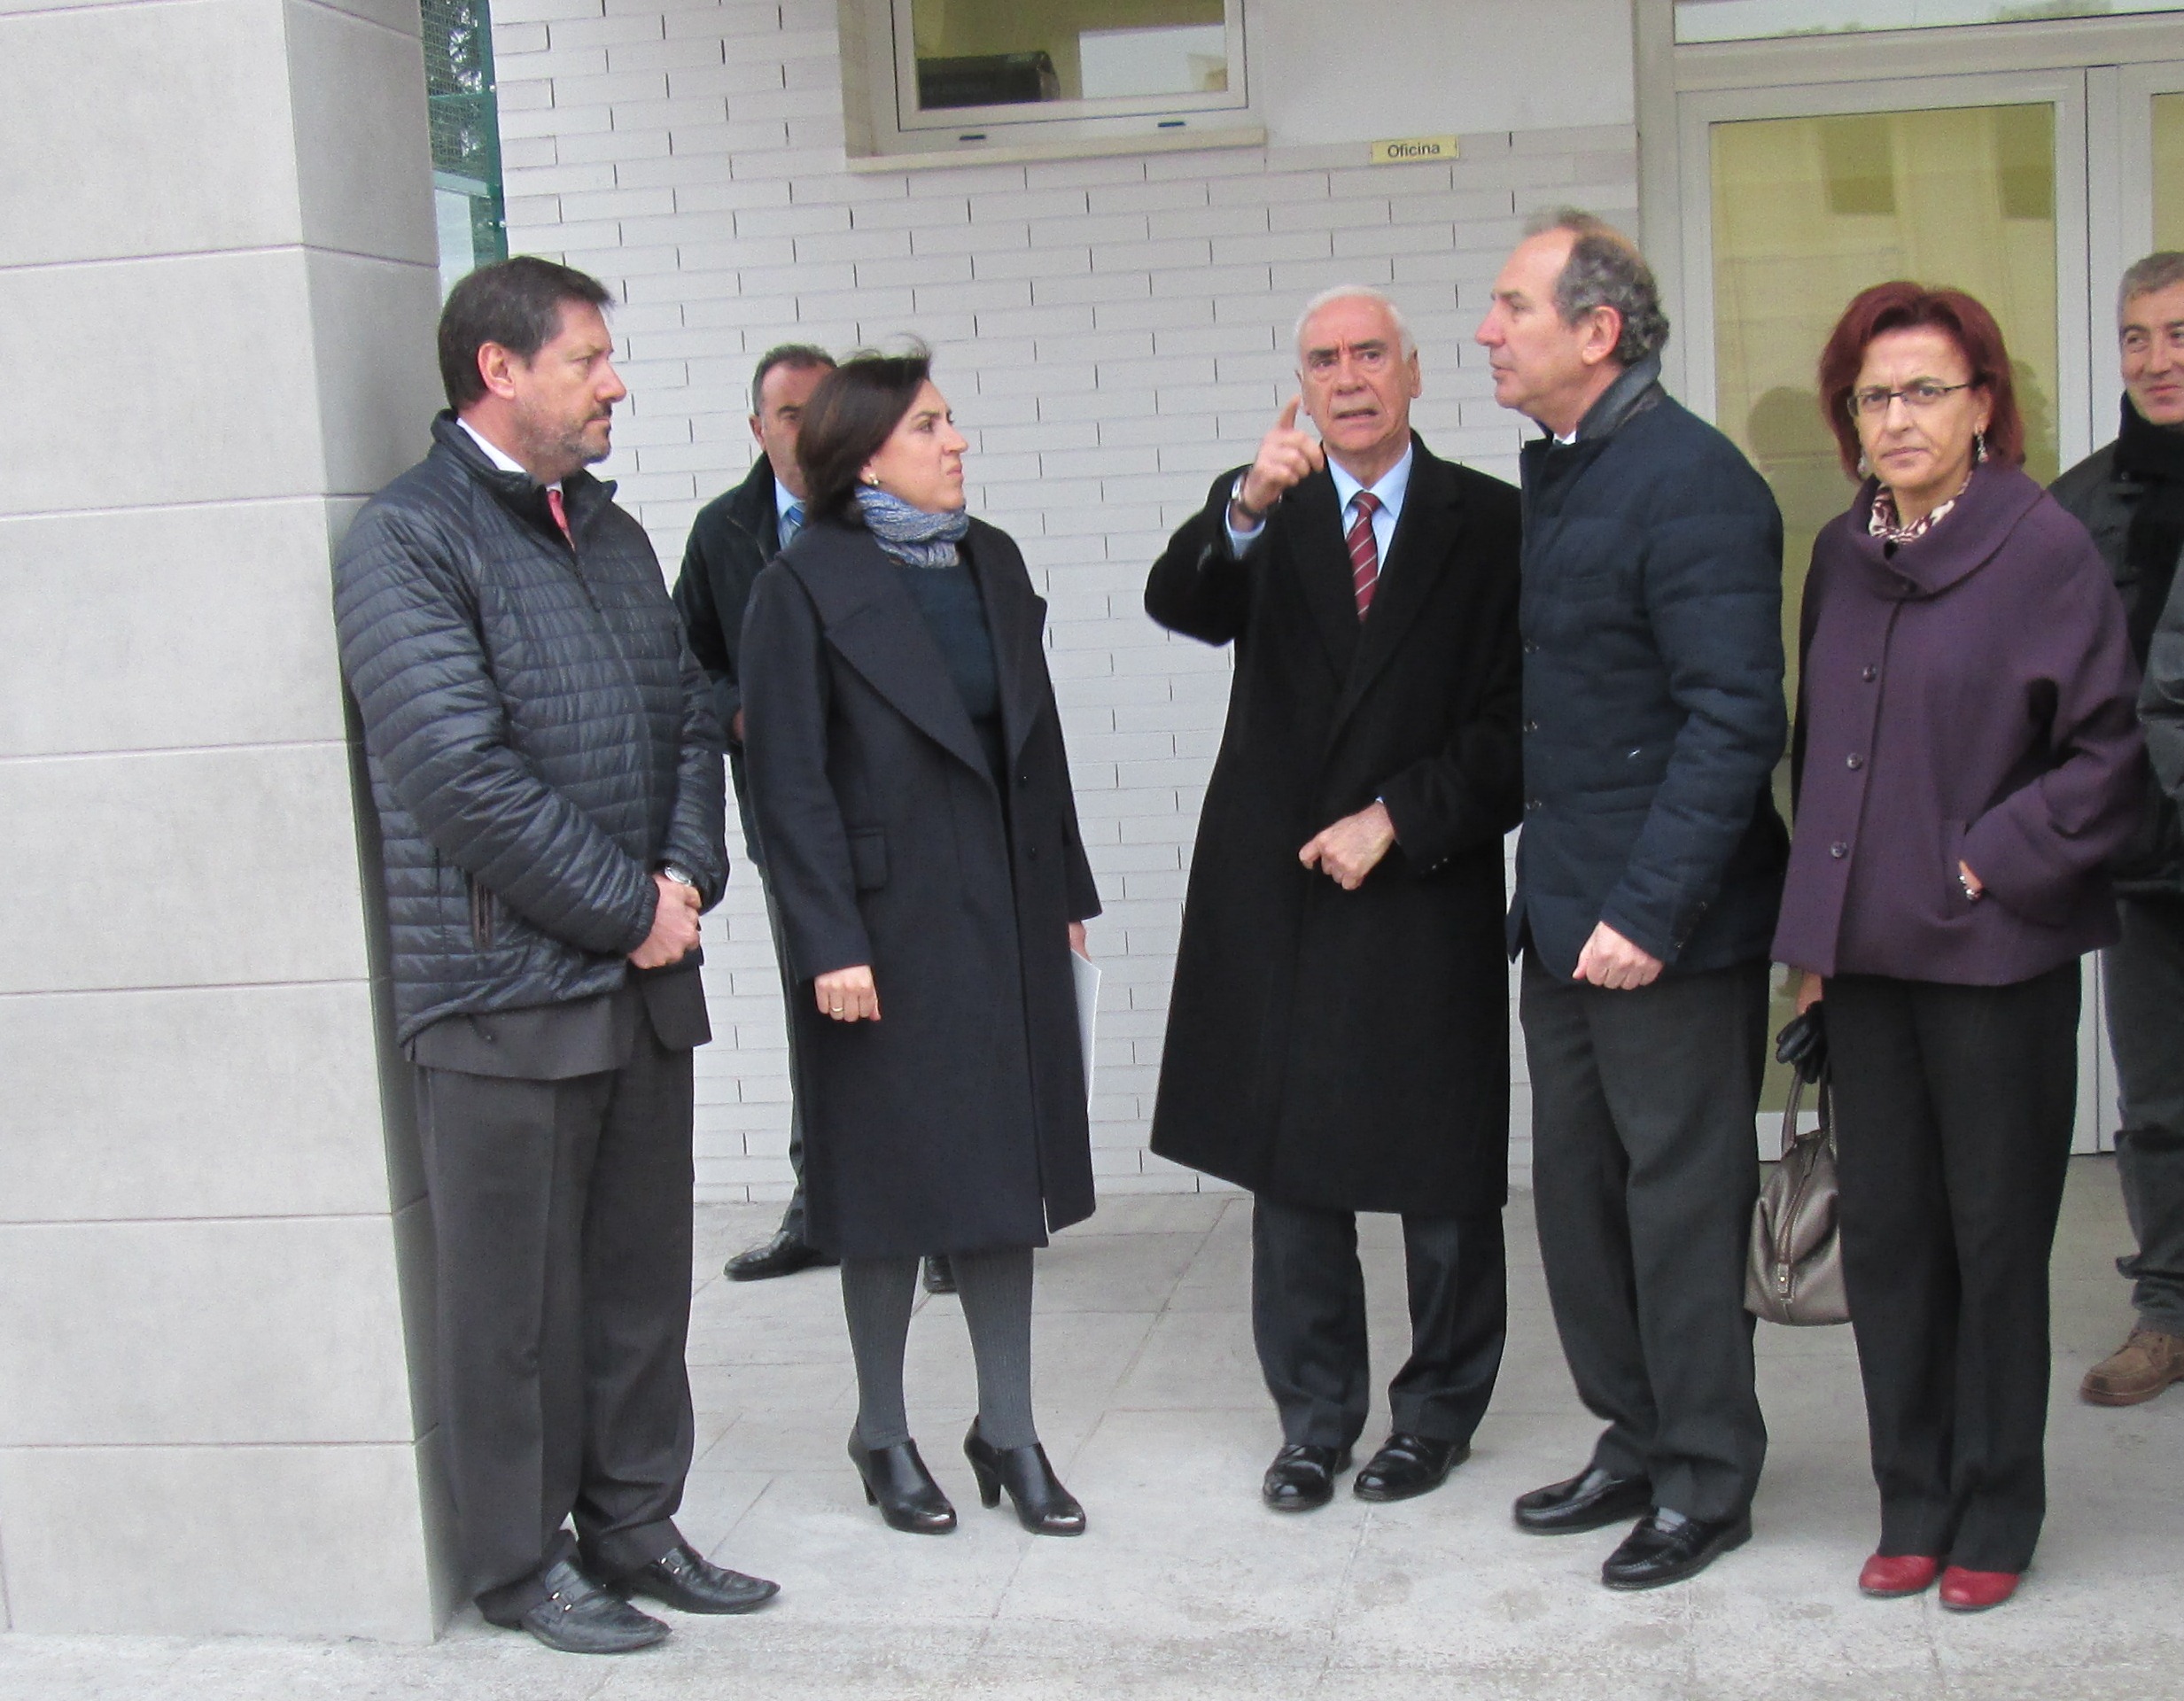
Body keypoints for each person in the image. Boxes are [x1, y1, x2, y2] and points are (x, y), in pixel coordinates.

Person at [332, 257, 777, 1653]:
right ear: (499, 372)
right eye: (588, 358)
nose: (614, 382)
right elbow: (456, 776)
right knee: (513, 1313)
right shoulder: (409, 541)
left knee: (641, 1287)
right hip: (501, 998)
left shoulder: (617, 533)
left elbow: (692, 714)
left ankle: (636, 1528)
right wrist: (626, 906)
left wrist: (687, 875)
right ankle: (523, 1567)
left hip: (639, 984)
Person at [1775, 282, 2143, 1612]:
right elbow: (1822, 759)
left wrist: (1986, 855)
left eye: (1926, 389)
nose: (1899, 415)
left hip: (1995, 964)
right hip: (1867, 965)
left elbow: (2108, 757)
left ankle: (1996, 1508)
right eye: (1875, 395)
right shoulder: (1839, 553)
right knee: (1887, 1244)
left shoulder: (2039, 547)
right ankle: (1912, 1501)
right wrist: (1810, 943)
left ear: (1984, 404)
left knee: (1992, 1243)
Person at [1145, 285, 1523, 1514]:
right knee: (1293, 1172)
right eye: (1323, 360)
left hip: (1422, 877)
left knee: (1440, 1176)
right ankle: (1314, 1421)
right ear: (1299, 386)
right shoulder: (1271, 506)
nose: (1349, 378)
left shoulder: (1495, 521)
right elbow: (1181, 604)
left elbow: (1525, 724)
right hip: (1284, 887)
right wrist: (1244, 504)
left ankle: (1435, 1417)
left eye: (1371, 355)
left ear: (1416, 375)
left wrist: (1402, 818)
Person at [739, 346, 1101, 1538]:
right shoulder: (800, 587)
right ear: (866, 454)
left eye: (953, 422)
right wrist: (826, 941)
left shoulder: (989, 559)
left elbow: (1030, 743)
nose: (957, 443)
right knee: (888, 1192)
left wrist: (1069, 888)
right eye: (932, 426)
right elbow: (786, 783)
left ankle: (1009, 1429)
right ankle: (882, 1430)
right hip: (878, 940)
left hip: (1004, 912)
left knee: (1007, 1184)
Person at [1476, 210, 1788, 1589]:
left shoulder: (1692, 483)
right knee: (1581, 1203)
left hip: (1665, 931)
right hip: (1564, 923)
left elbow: (1734, 719)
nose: (1487, 333)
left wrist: (1650, 913)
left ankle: (1707, 1475)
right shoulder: (1565, 473)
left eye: (1511, 308)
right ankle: (1637, 1434)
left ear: (1596, 332)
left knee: (1678, 1209)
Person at [675, 342, 842, 1284]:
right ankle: (817, 1207)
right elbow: (682, 662)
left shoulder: (890, 514)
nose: (807, 429)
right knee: (813, 1007)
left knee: (920, 1010)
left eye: (824, 410)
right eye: (789, 414)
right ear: (757, 428)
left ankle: (944, 1222)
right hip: (785, 814)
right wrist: (740, 711)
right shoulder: (722, 532)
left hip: (901, 816)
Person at [2052, 252, 2184, 1408]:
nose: (2156, 358)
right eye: (2135, 336)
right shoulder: (2083, 502)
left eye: (2178, 333)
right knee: (2158, 1102)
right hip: (2144, 854)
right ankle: (2168, 1312)